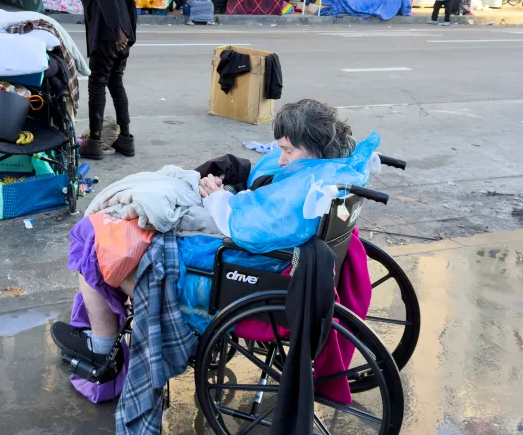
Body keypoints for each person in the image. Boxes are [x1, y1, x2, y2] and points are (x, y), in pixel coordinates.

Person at [49, 99, 356, 366]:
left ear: (315, 150)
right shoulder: (324, 178)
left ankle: (103, 348)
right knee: (122, 224)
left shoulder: (304, 188)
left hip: (237, 274)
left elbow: (246, 228)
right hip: (269, 264)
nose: (281, 159)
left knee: (97, 241)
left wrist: (216, 200)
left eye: (288, 150)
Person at [63, 0, 137, 159]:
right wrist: (129, 31)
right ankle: (125, 140)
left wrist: (116, 30)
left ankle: (94, 142)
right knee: (115, 83)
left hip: (107, 33)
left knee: (97, 83)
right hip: (121, 33)